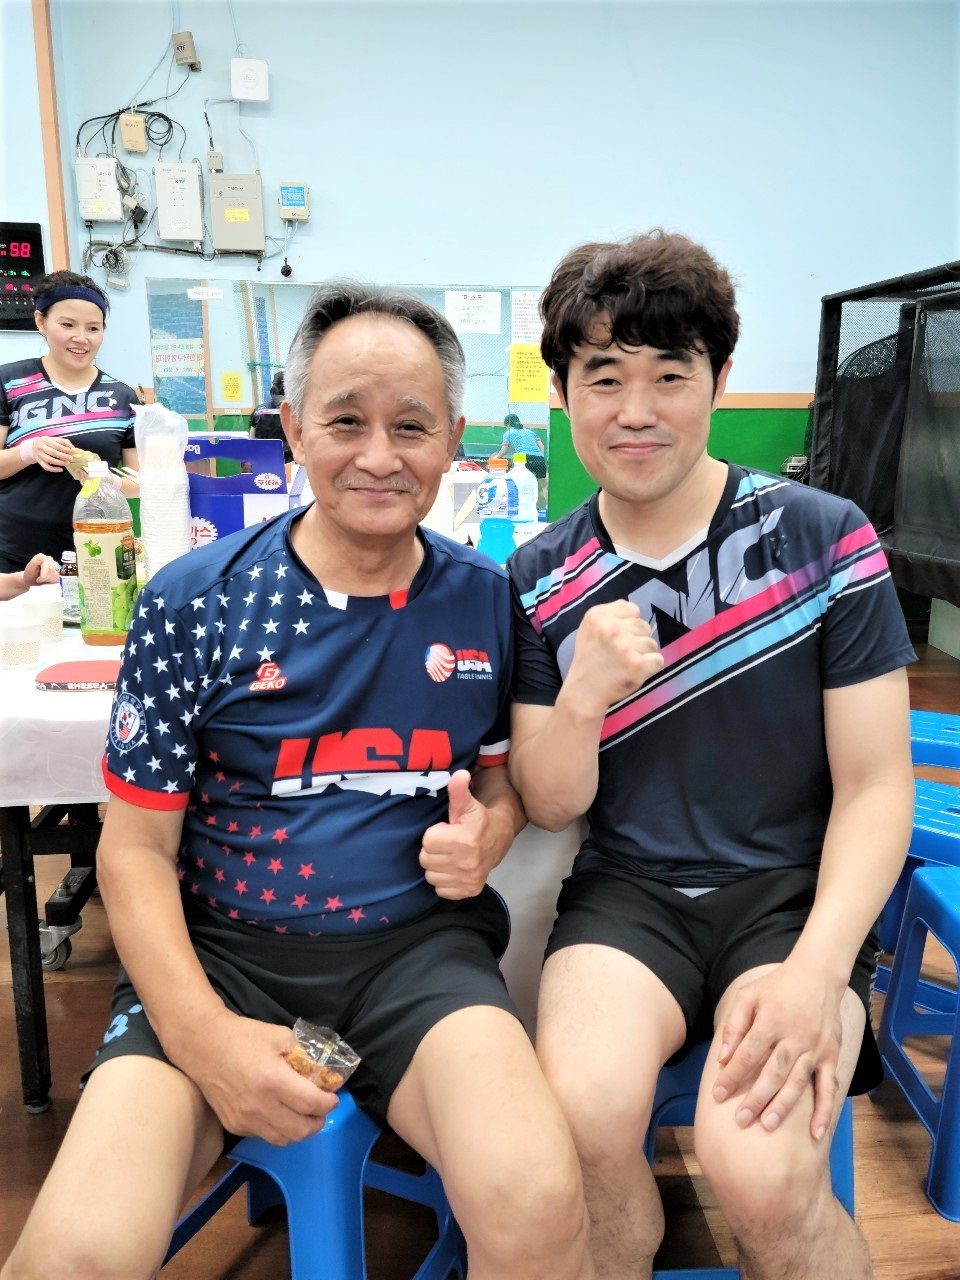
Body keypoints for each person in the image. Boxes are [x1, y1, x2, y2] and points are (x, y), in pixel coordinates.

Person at [1, 282, 592, 1280]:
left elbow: (508, 784)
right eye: (345, 421)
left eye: (412, 425)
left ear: (454, 440)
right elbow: (132, 850)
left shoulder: (491, 601)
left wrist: (490, 831)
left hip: (420, 959)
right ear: (292, 428)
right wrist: (207, 1039)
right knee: (73, 1255)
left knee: (539, 1204)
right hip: (221, 956)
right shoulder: (194, 600)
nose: (379, 455)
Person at [506, 230, 916, 1280]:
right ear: (563, 392)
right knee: (581, 1116)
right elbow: (549, 802)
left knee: (762, 1170)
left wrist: (818, 971)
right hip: (628, 895)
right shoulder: (539, 573)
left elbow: (877, 787)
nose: (636, 411)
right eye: (604, 378)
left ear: (720, 380)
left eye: (670, 375)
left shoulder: (825, 535)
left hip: (789, 898)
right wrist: (586, 692)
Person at [0, 270, 140, 574]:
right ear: (41, 322)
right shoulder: (8, 382)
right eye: (67, 325)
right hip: (13, 551)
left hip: (98, 550)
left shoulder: (123, 396)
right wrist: (28, 451)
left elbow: (139, 482)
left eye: (93, 328)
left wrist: (109, 481)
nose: (81, 338)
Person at [249, 368, 293, 462]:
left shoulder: (258, 411)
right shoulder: (294, 411)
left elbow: (251, 440)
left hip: (264, 461)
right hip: (289, 463)